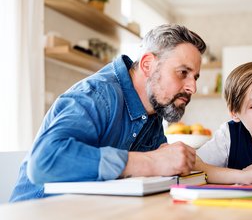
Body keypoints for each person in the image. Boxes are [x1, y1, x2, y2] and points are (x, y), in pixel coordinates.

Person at [10, 24, 207, 202]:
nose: (192, 87)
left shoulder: (154, 110)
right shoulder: (97, 94)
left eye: (195, 77)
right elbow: (44, 162)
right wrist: (150, 162)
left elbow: (163, 169)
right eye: (183, 72)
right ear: (147, 65)